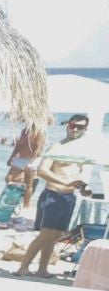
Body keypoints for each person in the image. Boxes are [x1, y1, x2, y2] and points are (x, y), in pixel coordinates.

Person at [17, 114, 93, 279]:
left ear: (85, 130)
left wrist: (83, 189)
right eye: (73, 125)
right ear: (67, 125)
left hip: (69, 198)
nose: (75, 129)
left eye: (79, 127)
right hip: (52, 195)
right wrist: (66, 182)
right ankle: (23, 267)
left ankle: (42, 269)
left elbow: (78, 177)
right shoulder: (57, 147)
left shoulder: (82, 152)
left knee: (55, 236)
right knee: (45, 234)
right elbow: (42, 171)